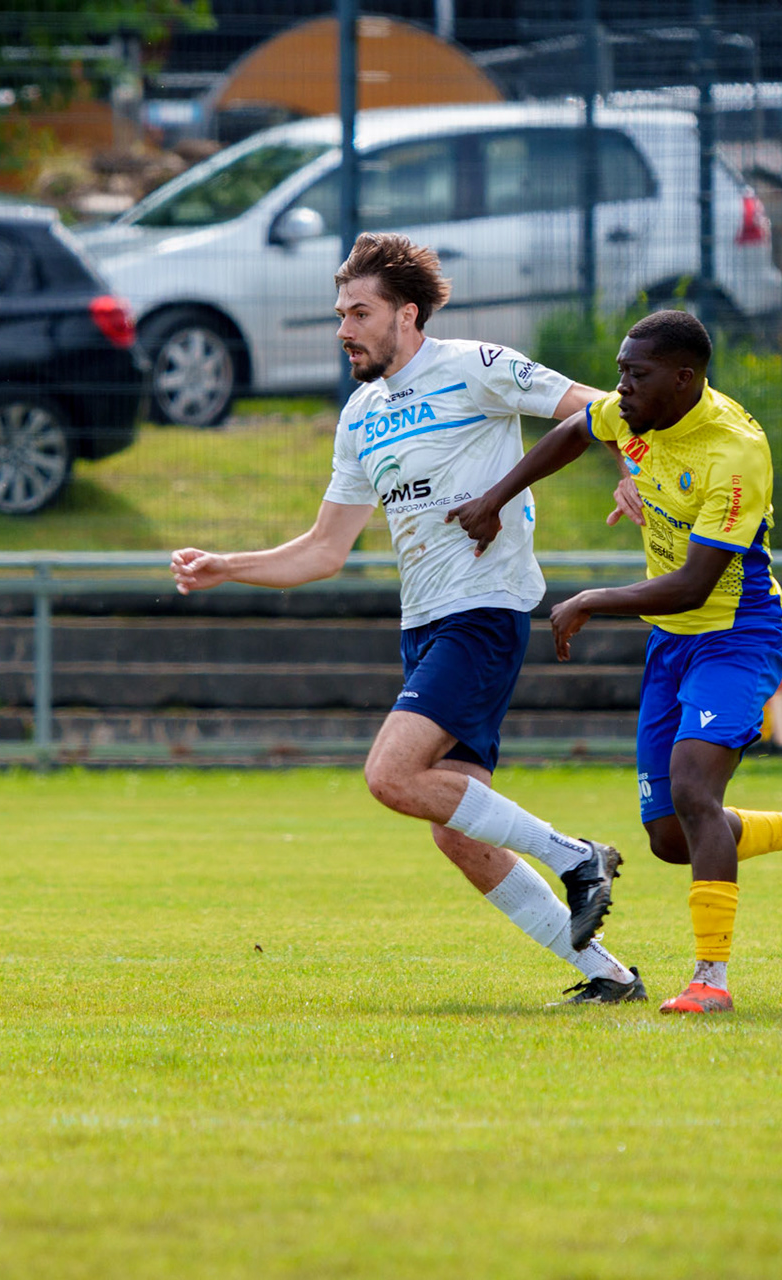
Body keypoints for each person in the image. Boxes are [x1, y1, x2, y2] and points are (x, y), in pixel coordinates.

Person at [170, 232, 643, 1006]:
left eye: (360, 312)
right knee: (457, 830)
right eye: (340, 313)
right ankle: (609, 979)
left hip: (483, 615)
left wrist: (633, 468)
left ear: (409, 315)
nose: (343, 329)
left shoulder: (476, 368)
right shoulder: (361, 414)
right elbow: (325, 549)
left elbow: (599, 408)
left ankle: (578, 856)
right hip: (424, 625)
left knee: (390, 776)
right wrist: (230, 565)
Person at [447, 309, 782, 1015]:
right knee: (669, 837)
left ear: (685, 379)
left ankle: (710, 981)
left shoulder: (734, 451)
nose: (621, 388)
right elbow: (576, 429)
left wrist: (593, 599)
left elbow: (695, 583)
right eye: (622, 372)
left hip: (735, 632)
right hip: (671, 639)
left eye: (637, 374)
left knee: (695, 789)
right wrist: (494, 500)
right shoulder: (636, 416)